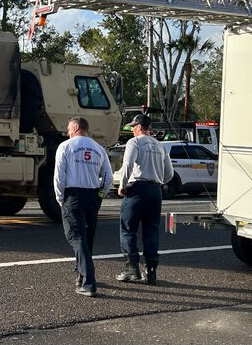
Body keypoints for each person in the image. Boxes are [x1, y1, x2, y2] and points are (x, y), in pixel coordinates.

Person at [54, 116, 113, 297]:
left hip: (74, 195)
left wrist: (60, 198)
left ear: (77, 127)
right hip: (93, 196)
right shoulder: (99, 149)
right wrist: (100, 196)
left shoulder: (66, 146)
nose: (67, 132)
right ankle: (82, 273)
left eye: (69, 128)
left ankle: (88, 282)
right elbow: (108, 178)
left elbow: (59, 176)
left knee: (76, 236)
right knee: (87, 237)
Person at [115, 114, 174, 285]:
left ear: (139, 127)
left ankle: (132, 269)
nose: (132, 130)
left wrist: (122, 185)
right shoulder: (159, 145)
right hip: (155, 190)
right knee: (151, 229)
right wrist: (158, 181)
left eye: (133, 127)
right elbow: (169, 172)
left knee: (127, 228)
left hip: (137, 189)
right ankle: (151, 270)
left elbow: (128, 165)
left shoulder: (135, 142)